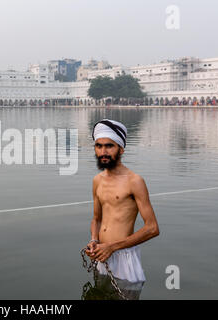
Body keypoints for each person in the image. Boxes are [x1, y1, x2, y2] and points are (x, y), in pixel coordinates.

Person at [86, 119, 160, 298]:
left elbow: (152, 228)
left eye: (109, 146)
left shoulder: (134, 181)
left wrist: (112, 246)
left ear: (121, 149)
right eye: (99, 146)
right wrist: (94, 240)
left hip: (124, 258)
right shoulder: (97, 181)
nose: (103, 152)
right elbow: (96, 218)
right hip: (102, 255)